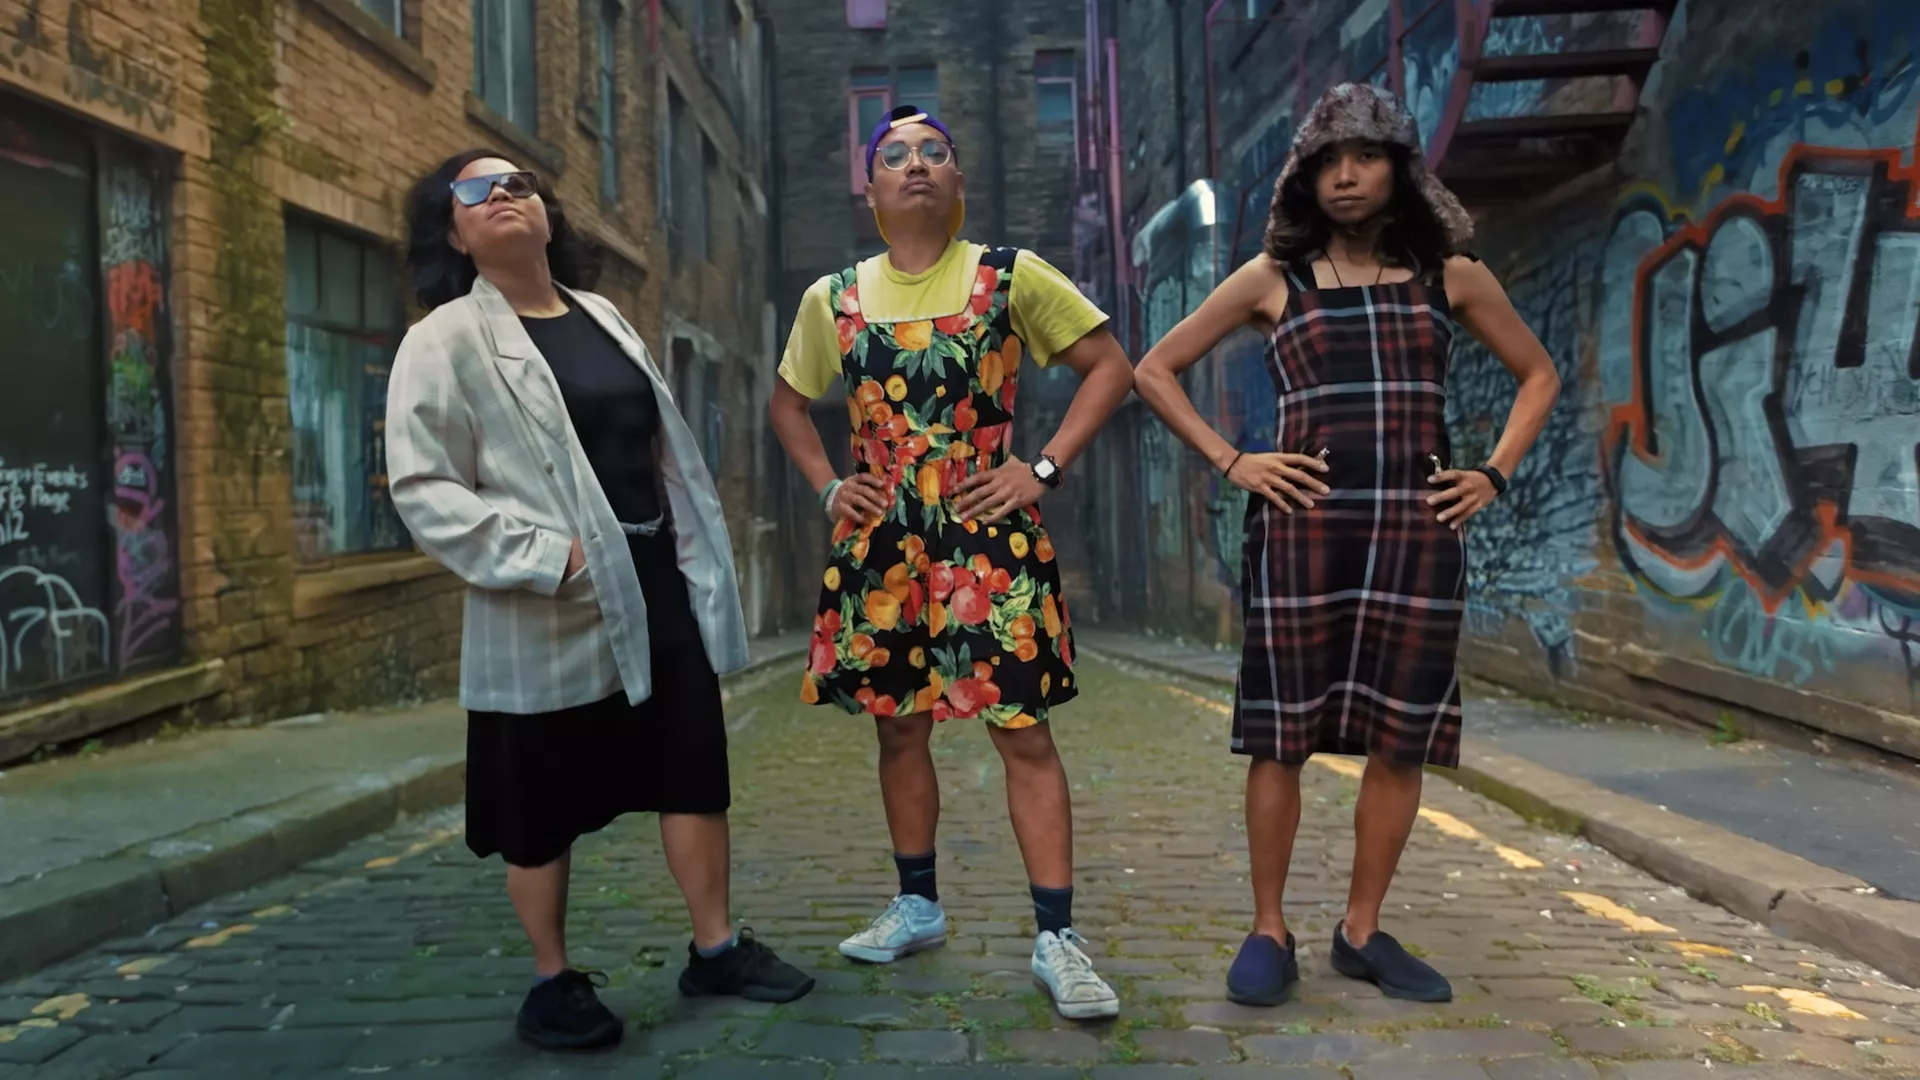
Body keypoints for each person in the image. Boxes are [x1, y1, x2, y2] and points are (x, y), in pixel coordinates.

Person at [1132, 84, 1561, 1006]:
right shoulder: (1268, 282)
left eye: (1365, 156)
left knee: (1400, 739)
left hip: (1416, 532)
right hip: (1302, 533)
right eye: (1329, 160)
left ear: (1401, 168)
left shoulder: (1455, 276)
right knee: (1279, 739)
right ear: (1305, 178)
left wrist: (1491, 473)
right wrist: (1232, 459)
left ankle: (1361, 931)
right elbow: (1154, 369)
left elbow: (1538, 375)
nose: (1347, 174)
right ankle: (1268, 928)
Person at [386, 150, 814, 1051]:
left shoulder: (606, 317)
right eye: (477, 190)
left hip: (658, 586)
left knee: (691, 767)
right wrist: (549, 557)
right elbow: (423, 486)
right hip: (547, 600)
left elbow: (663, 454)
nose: (504, 195)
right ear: (453, 231)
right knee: (540, 797)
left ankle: (717, 947)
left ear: (547, 216)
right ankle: (552, 981)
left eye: (520, 185)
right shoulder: (445, 339)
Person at [767, 105, 1135, 1020]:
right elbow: (785, 403)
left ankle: (1058, 936)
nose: (917, 164)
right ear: (872, 189)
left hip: (987, 536)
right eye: (895, 155)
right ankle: (918, 904)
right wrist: (826, 486)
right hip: (883, 546)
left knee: (1022, 728)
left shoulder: (1010, 277)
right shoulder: (834, 297)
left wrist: (1041, 467)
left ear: (959, 182)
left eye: (935, 152)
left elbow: (1110, 366)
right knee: (899, 727)